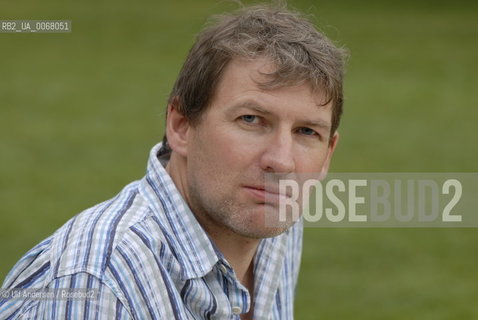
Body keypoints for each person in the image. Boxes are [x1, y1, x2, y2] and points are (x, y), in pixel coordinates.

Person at [0, 3, 345, 319]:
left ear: (328, 153)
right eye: (251, 120)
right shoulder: (97, 287)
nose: (282, 162)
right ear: (181, 126)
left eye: (306, 132)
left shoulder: (274, 218)